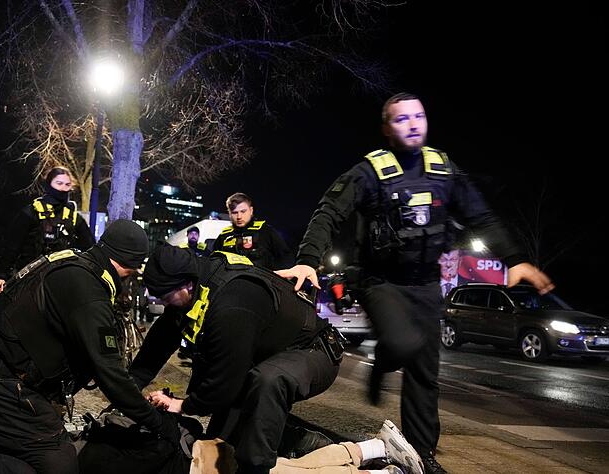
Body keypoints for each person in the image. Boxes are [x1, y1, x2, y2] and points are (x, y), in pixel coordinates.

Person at [276, 92, 554, 474]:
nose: (412, 123)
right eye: (401, 118)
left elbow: (482, 216)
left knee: (425, 371)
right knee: (403, 342)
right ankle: (382, 363)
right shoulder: (369, 173)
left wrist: (515, 259)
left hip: (425, 284)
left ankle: (421, 454)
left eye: (418, 116)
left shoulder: (444, 170)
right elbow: (329, 212)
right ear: (386, 128)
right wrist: (308, 260)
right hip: (381, 282)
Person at [0, 220, 182, 474]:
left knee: (44, 448)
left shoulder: (70, 261)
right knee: (59, 467)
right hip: (7, 387)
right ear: (130, 265)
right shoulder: (90, 292)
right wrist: (158, 424)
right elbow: (111, 375)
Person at [129, 245, 344, 474]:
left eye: (164, 297)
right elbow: (156, 346)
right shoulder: (191, 288)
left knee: (267, 383)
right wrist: (127, 389)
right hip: (264, 357)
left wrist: (182, 405)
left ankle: (257, 469)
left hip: (315, 352)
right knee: (219, 446)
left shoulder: (230, 304)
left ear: (186, 284)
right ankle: (300, 440)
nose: (163, 303)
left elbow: (224, 384)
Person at [0, 166, 95, 294]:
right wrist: (1, 275)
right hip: (29, 278)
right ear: (49, 184)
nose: (63, 188)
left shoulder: (74, 217)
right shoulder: (31, 212)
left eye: (67, 184)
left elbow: (91, 248)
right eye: (59, 183)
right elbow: (12, 245)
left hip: (61, 280)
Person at [191, 419, 423, 474]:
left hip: (195, 465)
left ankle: (376, 459)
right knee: (289, 468)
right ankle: (376, 448)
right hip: (197, 457)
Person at [213, 192, 292, 270]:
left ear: (251, 210)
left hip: (260, 281)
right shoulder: (224, 236)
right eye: (234, 213)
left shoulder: (265, 232)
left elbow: (286, 258)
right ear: (229, 214)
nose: (239, 216)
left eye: (243, 211)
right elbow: (214, 261)